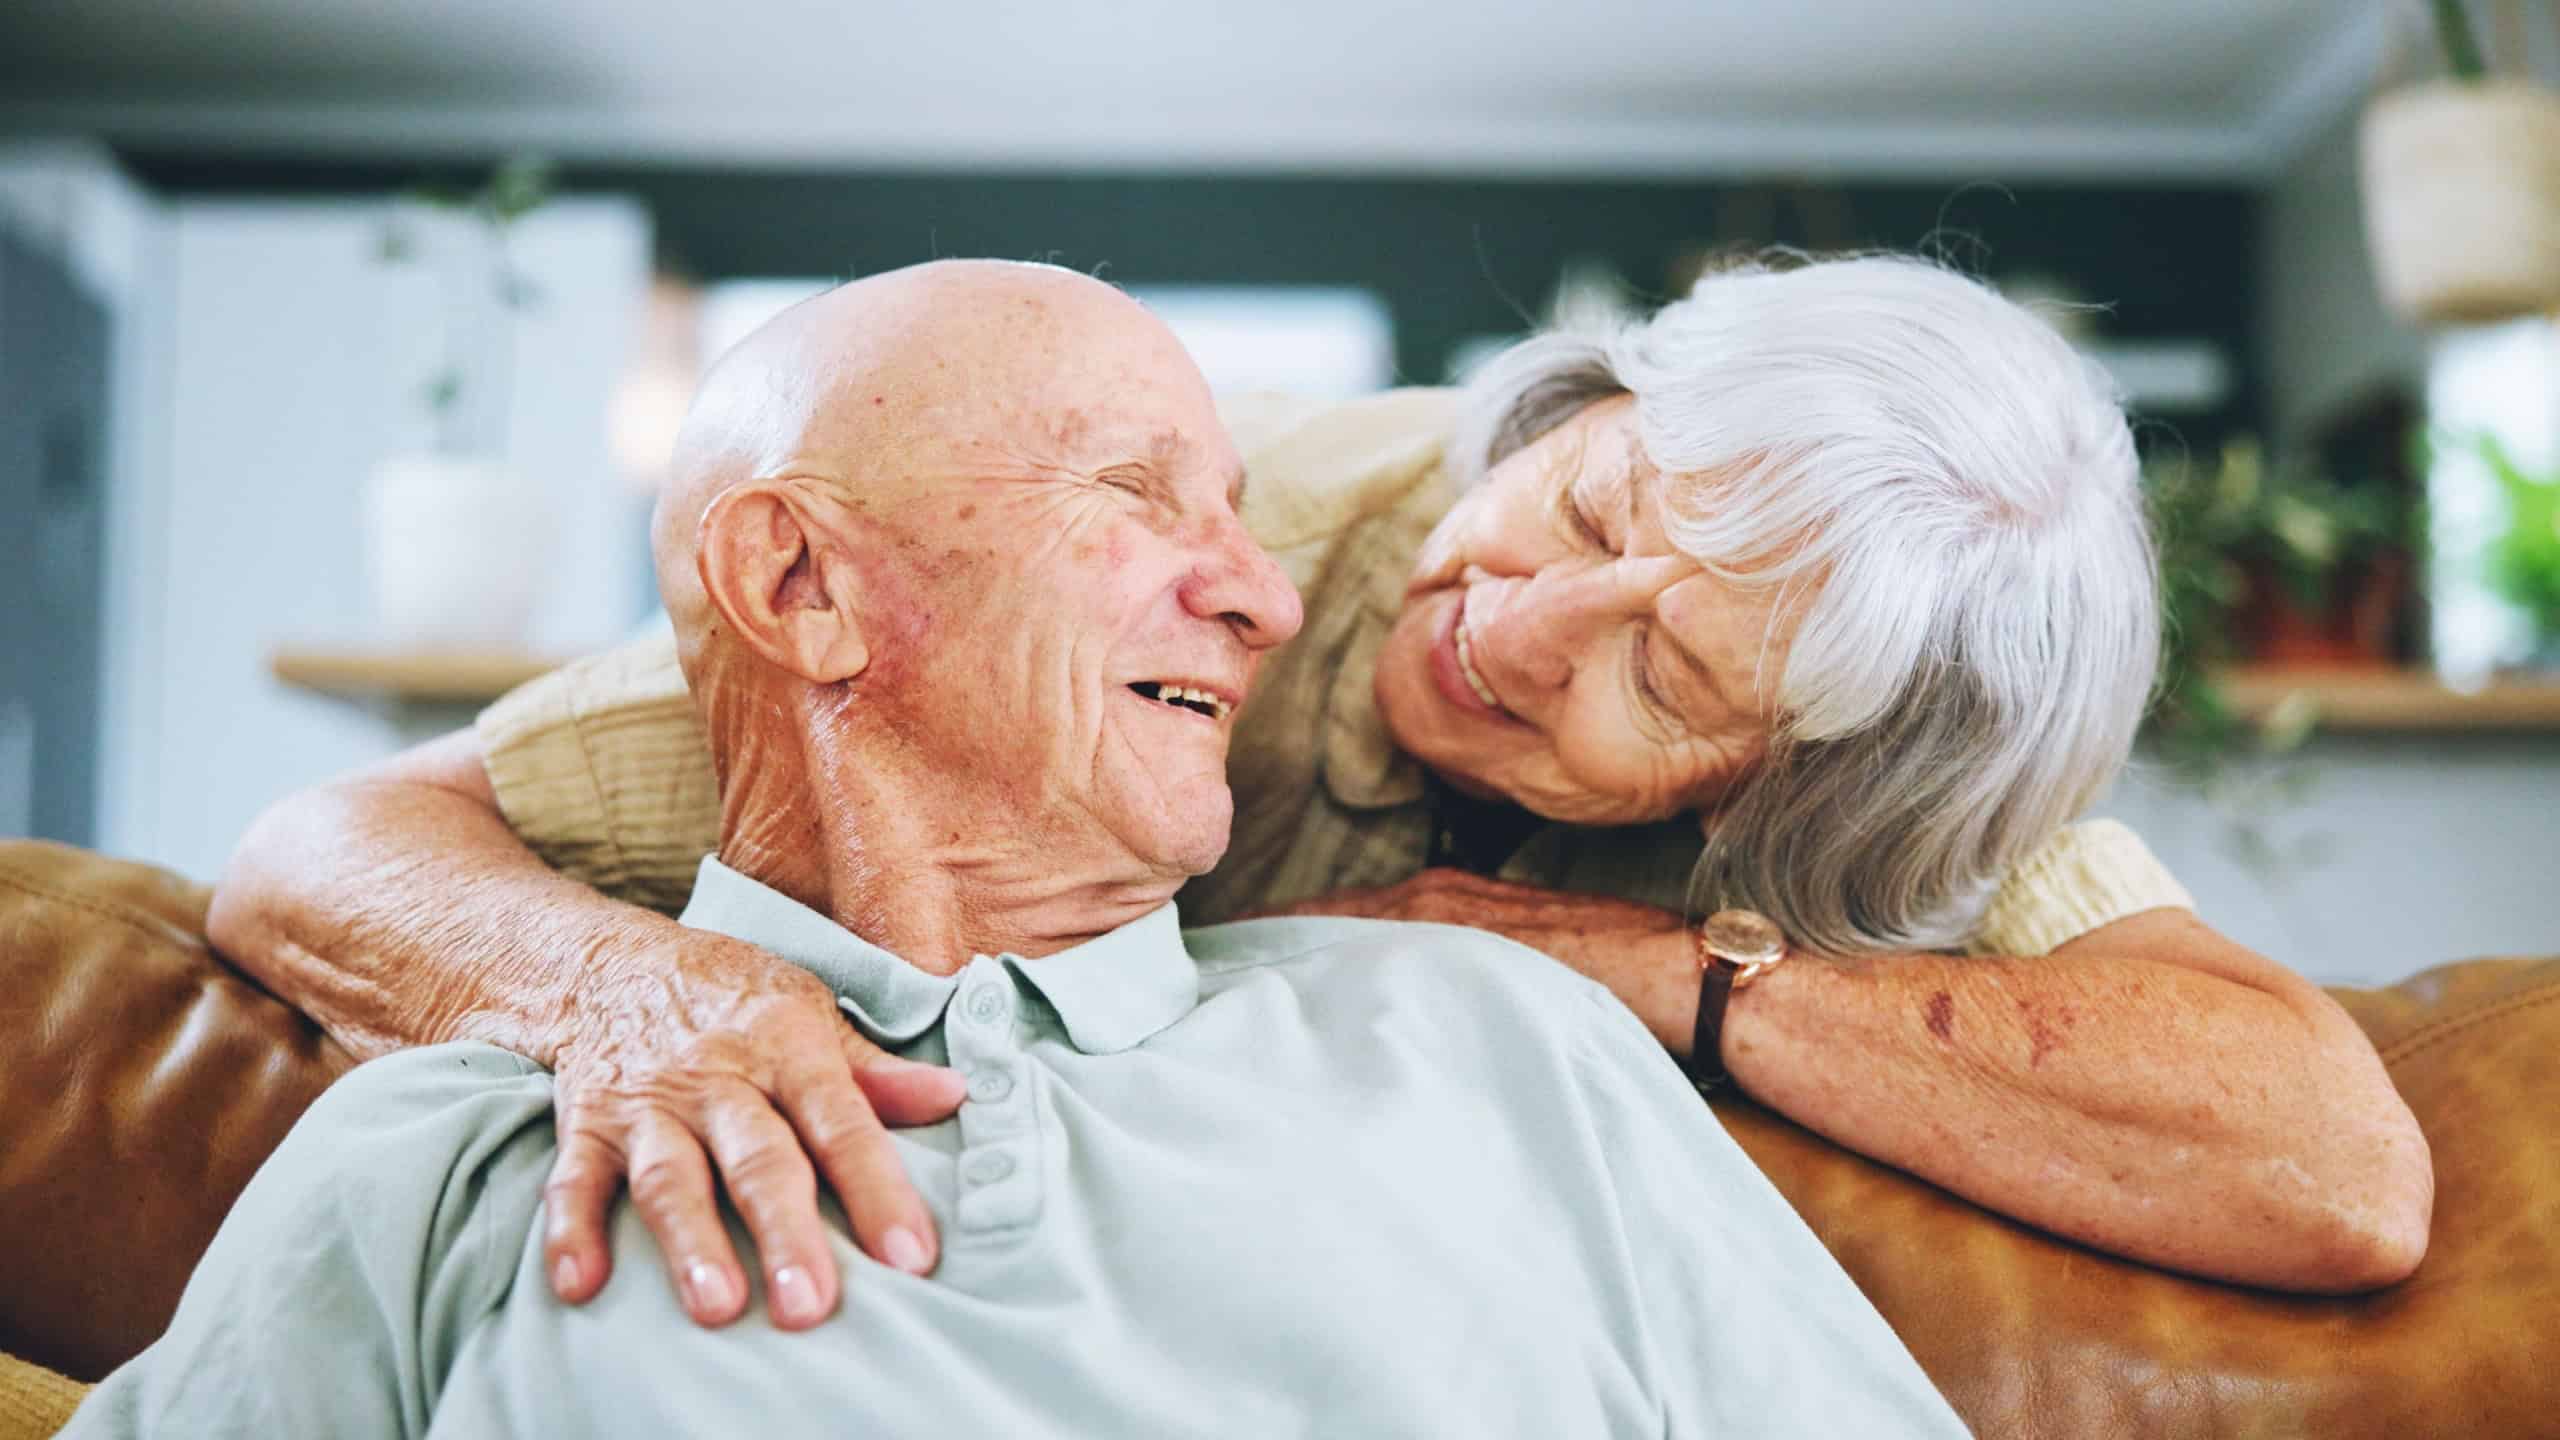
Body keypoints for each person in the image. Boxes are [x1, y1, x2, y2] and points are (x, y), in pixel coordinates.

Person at [210, 255, 2432, 1333]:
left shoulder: (1875, 764)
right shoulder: (1189, 544)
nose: (1513, 627)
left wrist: (1665, 976)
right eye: (1585, 505)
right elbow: (330, 847)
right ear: (1580, 402)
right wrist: (627, 991)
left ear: (1793, 787)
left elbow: (2326, 1166)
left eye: (1658, 674)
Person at [68, 260, 1968, 1438]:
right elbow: (321, 848)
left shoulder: (1507, 1037)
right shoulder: (437, 1153)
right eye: (1138, 495)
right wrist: (619, 986)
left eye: (1240, 515)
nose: (1270, 601)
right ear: (799, 586)